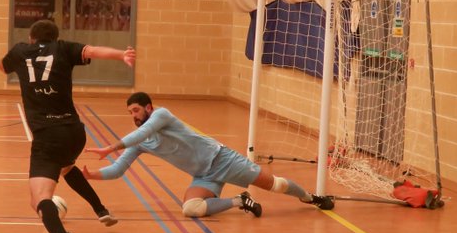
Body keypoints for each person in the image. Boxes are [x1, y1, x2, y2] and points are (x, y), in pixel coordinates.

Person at [0, 19, 135, 233]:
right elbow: (93, 51)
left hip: (47, 136)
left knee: (38, 198)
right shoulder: (62, 48)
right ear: (54, 37)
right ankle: (100, 210)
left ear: (31, 37)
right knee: (66, 167)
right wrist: (121, 55)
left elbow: (1, 67)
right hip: (75, 134)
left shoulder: (20, 51)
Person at [82, 92, 333, 219]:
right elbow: (117, 170)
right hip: (203, 175)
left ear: (149, 107)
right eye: (130, 113)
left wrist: (111, 147)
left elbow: (144, 130)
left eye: (136, 110)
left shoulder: (162, 115)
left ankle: (311, 198)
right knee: (190, 209)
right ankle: (239, 201)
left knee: (275, 184)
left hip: (222, 159)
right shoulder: (140, 142)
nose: (134, 116)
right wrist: (89, 176)